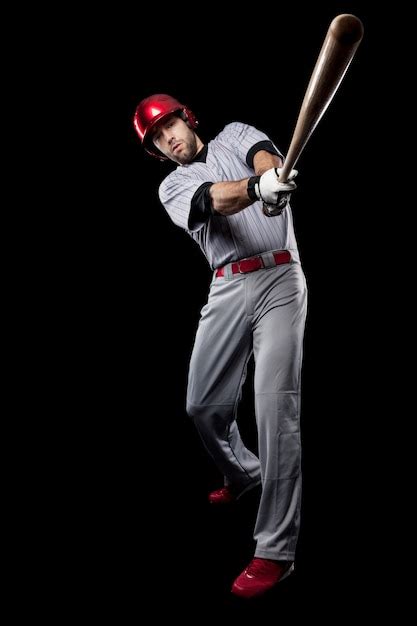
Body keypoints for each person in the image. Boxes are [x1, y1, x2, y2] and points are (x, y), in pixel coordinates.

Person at [133, 94, 308, 599]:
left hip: (281, 277)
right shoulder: (174, 184)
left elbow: (264, 155)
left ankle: (275, 550)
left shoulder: (233, 132)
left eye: (170, 125)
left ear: (187, 119)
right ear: (158, 152)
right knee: (201, 404)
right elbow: (214, 199)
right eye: (157, 138)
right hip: (227, 285)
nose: (169, 139)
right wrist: (257, 189)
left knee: (276, 409)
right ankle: (243, 471)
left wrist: (273, 177)